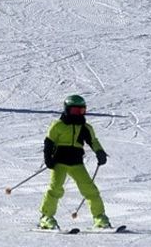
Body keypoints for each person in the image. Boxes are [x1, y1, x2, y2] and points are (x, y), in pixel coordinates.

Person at [38, 95, 112, 231]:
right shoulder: (58, 125)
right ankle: (45, 218)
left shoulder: (85, 127)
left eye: (81, 111)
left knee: (90, 190)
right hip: (59, 163)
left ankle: (100, 218)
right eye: (75, 111)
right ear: (67, 110)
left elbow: (93, 141)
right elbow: (49, 142)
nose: (78, 115)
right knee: (55, 189)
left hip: (77, 163)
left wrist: (100, 152)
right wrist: (48, 158)